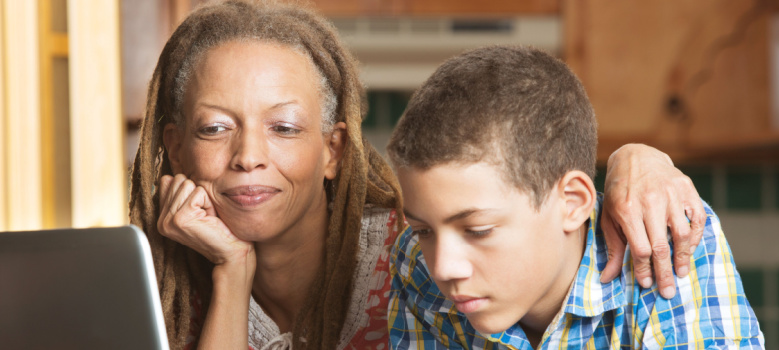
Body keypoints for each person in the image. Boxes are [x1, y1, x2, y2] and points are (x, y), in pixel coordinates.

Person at [127, 1, 706, 349]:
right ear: (173, 148)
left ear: (334, 151)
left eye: (284, 127)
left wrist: (639, 157)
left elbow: (529, 201)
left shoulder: (419, 255)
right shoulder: (151, 282)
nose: (248, 156)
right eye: (213, 129)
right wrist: (232, 272)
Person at [386, 46, 764, 349]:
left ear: (572, 202)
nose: (443, 268)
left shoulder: (665, 239)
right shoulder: (417, 262)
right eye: (424, 230)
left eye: (478, 230)